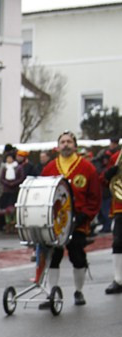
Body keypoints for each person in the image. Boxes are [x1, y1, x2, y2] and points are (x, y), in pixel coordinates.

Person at [40, 131, 102, 307]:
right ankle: (52, 293)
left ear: (75, 146)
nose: (66, 144)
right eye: (62, 142)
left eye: (69, 141)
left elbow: (95, 197)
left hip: (78, 221)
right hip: (55, 223)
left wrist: (85, 216)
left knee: (77, 256)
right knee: (53, 256)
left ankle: (79, 291)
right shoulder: (49, 169)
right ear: (58, 146)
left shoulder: (87, 168)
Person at [103, 146, 122, 294]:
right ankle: (118, 279)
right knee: (118, 242)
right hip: (120, 206)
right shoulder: (116, 157)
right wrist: (107, 175)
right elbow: (103, 181)